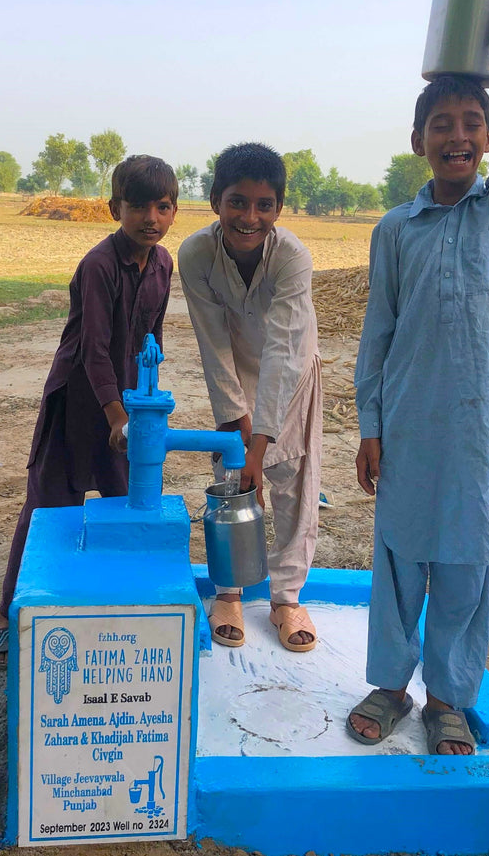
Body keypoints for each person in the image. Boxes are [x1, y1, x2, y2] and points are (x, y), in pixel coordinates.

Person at [348, 0, 489, 755]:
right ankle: (388, 683)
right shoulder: (394, 230)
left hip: (484, 433)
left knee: (468, 567)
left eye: (472, 123)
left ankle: (447, 696)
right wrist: (370, 426)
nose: (457, 134)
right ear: (419, 140)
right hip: (409, 427)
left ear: (488, 140)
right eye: (441, 123)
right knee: (401, 558)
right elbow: (377, 334)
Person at [0, 155, 176, 668]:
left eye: (163, 206)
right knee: (49, 505)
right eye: (138, 206)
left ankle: (112, 608)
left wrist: (143, 401)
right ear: (116, 208)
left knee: (124, 499)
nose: (150, 218)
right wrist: (116, 416)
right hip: (78, 399)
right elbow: (94, 349)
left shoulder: (163, 264)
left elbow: (151, 337)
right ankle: (8, 615)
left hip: (126, 404)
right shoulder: (98, 265)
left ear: (175, 211)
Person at [177, 142, 322, 652]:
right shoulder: (195, 254)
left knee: (294, 485)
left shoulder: (292, 257)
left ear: (278, 209)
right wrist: (236, 427)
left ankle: (286, 598)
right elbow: (211, 342)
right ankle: (229, 593)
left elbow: (284, 351)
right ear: (216, 199)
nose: (249, 216)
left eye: (264, 205)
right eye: (238, 201)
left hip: (293, 376)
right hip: (234, 375)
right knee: (231, 483)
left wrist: (259, 447)